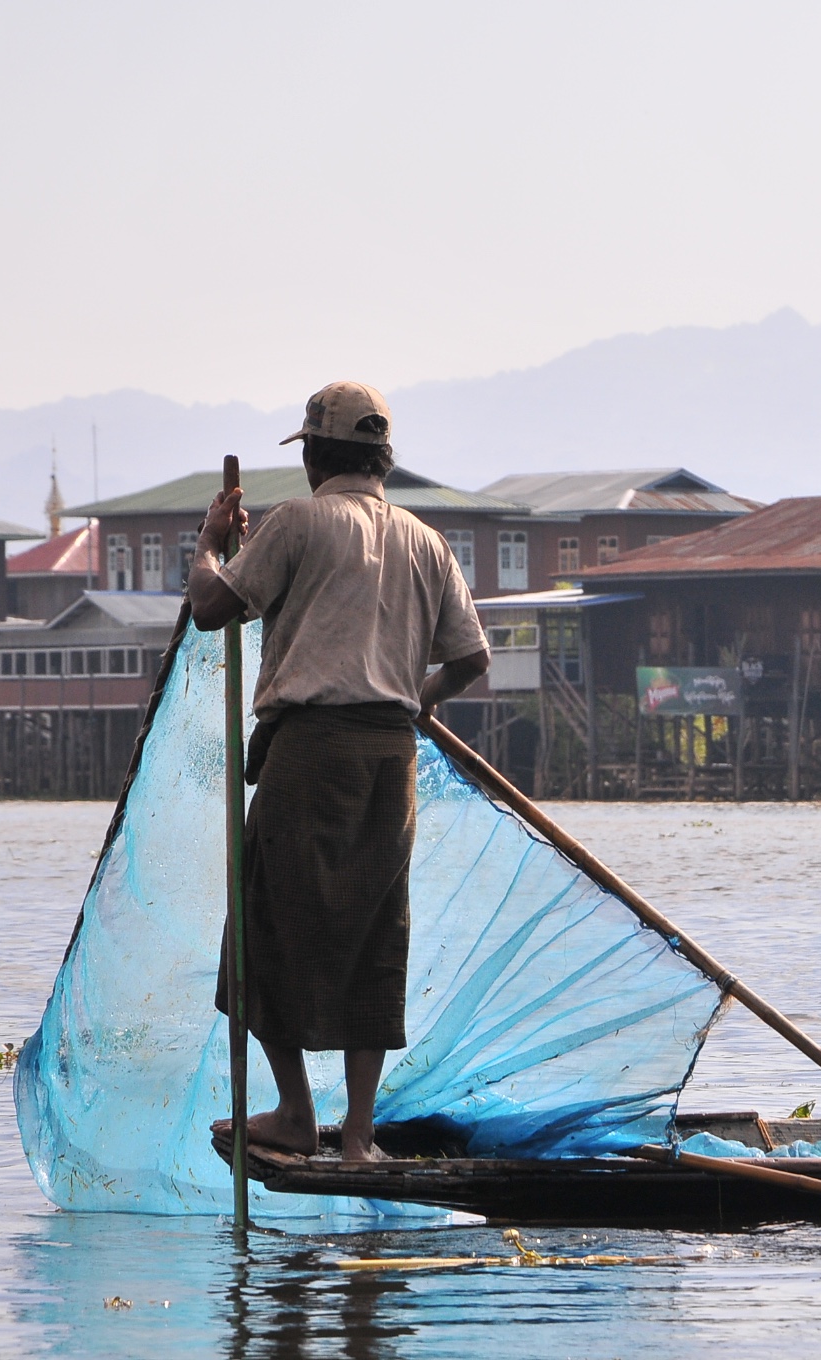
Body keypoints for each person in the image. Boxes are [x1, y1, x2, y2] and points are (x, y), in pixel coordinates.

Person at [189, 380, 490, 1162]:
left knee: (265, 925)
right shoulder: (427, 540)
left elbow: (210, 608)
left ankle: (294, 1113)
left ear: (316, 455)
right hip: (391, 760)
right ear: (383, 460)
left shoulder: (297, 523)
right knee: (371, 931)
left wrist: (211, 543)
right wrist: (417, 704)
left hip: (310, 752)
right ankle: (357, 1134)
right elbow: (471, 657)